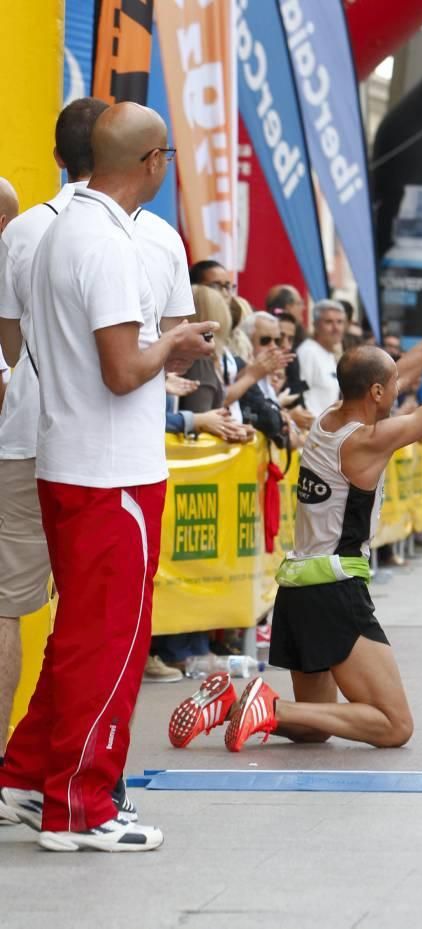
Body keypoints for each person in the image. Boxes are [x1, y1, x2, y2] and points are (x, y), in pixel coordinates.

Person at [168, 296, 422, 752]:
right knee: (393, 725)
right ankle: (272, 707)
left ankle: (227, 704)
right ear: (378, 394)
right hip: (335, 589)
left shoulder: (330, 416)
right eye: (392, 385)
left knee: (318, 726)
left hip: (297, 588)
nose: (403, 384)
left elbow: (394, 372)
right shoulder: (368, 440)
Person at [0, 102, 216, 852]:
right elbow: (125, 370)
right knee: (109, 646)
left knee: (81, 638)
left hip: (75, 459)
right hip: (109, 471)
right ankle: (80, 806)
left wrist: (160, 348)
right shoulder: (113, 244)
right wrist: (176, 341)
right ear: (152, 161)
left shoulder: (60, 229)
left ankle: (28, 776)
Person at [296, 299, 346, 416]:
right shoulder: (308, 352)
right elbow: (300, 396)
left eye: (339, 322)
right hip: (312, 429)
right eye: (329, 322)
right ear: (315, 325)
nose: (336, 328)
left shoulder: (329, 354)